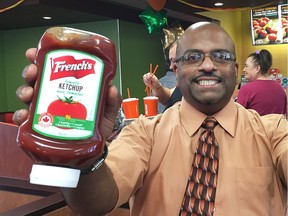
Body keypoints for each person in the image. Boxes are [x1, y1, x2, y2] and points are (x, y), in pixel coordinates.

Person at [14, 22, 287, 215]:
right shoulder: (144, 134)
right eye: (193, 57)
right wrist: (83, 154)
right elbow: (94, 204)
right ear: (176, 69)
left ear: (235, 69)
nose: (207, 65)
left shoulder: (273, 131)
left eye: (221, 56)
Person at [237, 49, 287, 116]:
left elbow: (239, 118)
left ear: (257, 68)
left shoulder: (246, 89)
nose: (244, 69)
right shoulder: (280, 89)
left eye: (246, 66)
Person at [143, 41, 183, 113]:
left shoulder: (198, 87)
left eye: (173, 61)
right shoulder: (182, 86)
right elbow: (170, 95)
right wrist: (157, 87)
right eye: (170, 61)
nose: (170, 67)